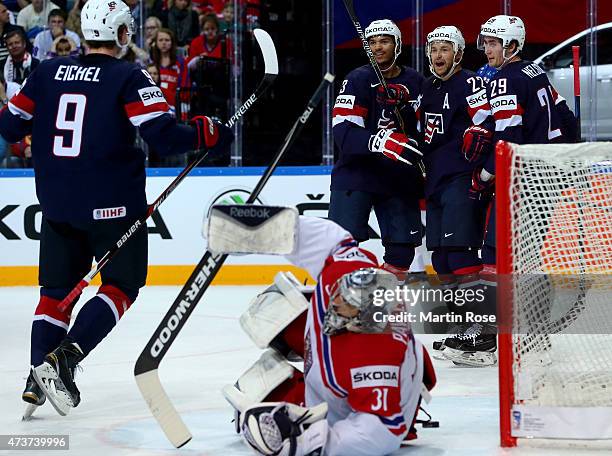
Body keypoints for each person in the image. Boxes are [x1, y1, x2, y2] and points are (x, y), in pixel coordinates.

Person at [0, 0, 232, 417]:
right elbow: (163, 135)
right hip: (113, 207)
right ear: (123, 34)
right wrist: (206, 129)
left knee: (54, 294)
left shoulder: (48, 71)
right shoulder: (127, 75)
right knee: (122, 286)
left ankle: (37, 375)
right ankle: (65, 358)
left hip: (55, 203)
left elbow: (10, 125)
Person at [217, 214, 436, 456]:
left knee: (258, 398)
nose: (339, 301)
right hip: (361, 369)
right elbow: (333, 240)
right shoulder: (347, 271)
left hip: (363, 404)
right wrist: (256, 230)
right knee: (275, 307)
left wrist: (307, 443)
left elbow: (383, 429)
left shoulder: (372, 357)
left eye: (348, 305)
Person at [451, 15, 577, 364]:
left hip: (521, 181)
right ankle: (535, 339)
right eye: (486, 42)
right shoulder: (536, 72)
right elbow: (567, 118)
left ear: (512, 46)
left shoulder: (505, 80)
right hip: (547, 174)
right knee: (527, 259)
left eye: (493, 43)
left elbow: (507, 139)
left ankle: (488, 343)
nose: (487, 49)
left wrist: (485, 176)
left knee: (494, 258)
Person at [418, 26, 497, 366]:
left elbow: (490, 122)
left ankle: (485, 333)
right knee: (442, 260)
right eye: (433, 49)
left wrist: (482, 150)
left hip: (462, 179)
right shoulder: (427, 86)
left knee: (462, 255)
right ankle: (464, 327)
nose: (438, 55)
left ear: (459, 54)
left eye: (445, 49)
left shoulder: (471, 83)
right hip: (435, 181)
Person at [330, 19, 425, 283]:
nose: (378, 47)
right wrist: (380, 141)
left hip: (398, 176)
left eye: (384, 41)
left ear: (397, 45)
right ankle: (345, 304)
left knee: (402, 251)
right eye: (372, 42)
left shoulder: (415, 81)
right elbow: (344, 133)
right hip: (357, 174)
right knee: (342, 245)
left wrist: (406, 110)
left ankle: (382, 300)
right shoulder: (357, 79)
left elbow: (425, 128)